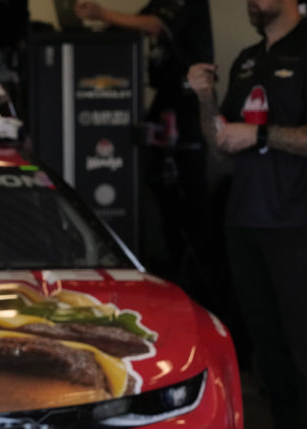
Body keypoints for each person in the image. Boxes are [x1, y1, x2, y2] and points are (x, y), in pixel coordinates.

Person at [187, 0, 307, 427]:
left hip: (299, 225)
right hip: (246, 223)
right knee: (267, 357)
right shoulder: (247, 60)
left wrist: (257, 134)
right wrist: (205, 99)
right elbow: (221, 144)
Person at [74, 0, 215, 302]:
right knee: (161, 195)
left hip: (187, 105)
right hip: (166, 100)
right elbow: (137, 22)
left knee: (191, 204)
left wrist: (100, 13)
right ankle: (171, 270)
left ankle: (202, 288)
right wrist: (98, 24)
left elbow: (153, 25)